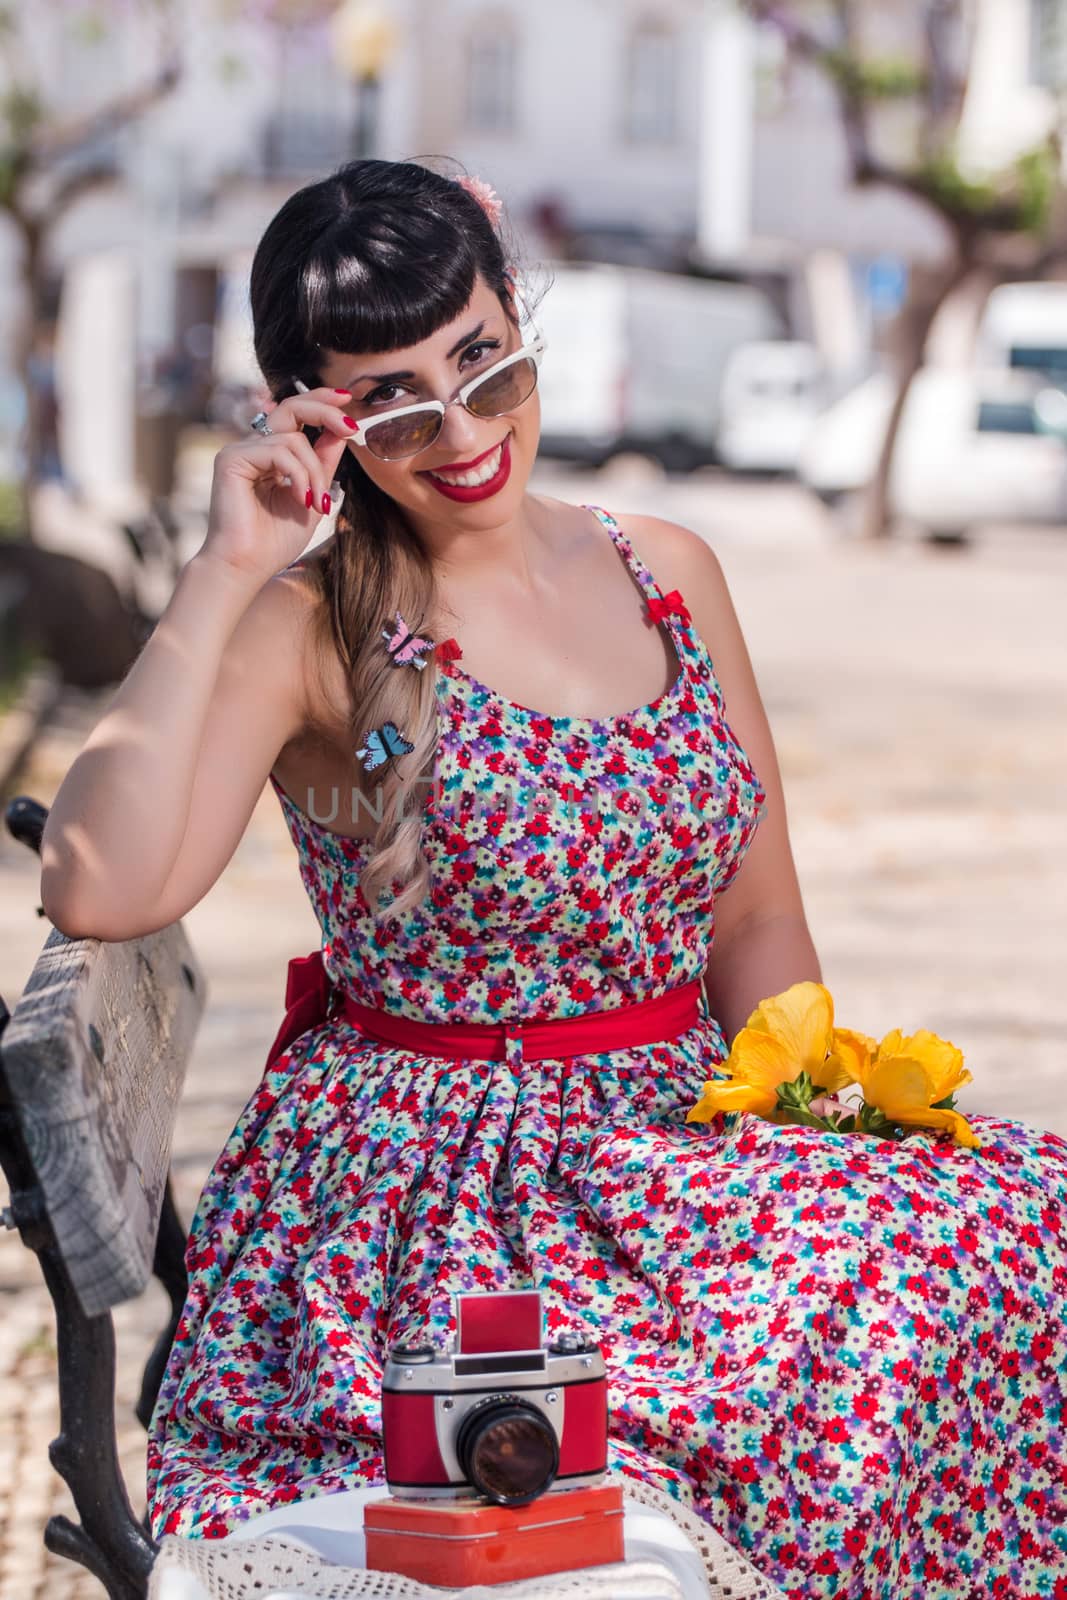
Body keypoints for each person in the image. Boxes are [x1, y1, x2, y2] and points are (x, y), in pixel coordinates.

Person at [39, 160, 1067, 1599]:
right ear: (312, 418)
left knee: (1022, 1227)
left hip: (679, 1152)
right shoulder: (316, 625)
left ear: (519, 315)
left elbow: (759, 915)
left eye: (481, 358)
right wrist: (222, 570)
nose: (461, 429)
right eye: (391, 400)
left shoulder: (671, 571)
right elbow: (96, 884)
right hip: (455, 1192)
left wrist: (816, 1126)